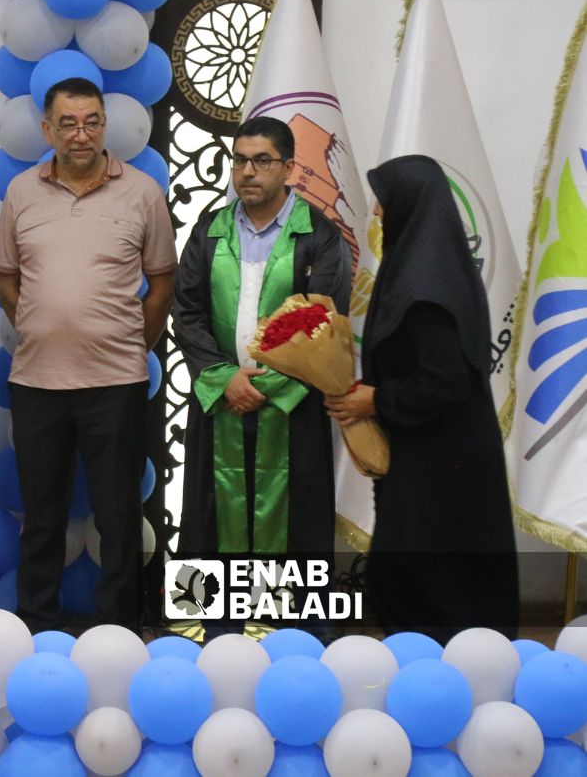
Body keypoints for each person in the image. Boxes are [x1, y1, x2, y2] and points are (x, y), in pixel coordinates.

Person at [0, 77, 178, 633]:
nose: (81, 133)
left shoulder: (143, 192)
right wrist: (36, 324)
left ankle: (119, 628)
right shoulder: (22, 192)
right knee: (42, 515)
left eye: (92, 121)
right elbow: (6, 277)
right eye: (68, 123)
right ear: (48, 129)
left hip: (116, 382)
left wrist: (130, 344)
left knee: (118, 515)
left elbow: (162, 283)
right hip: (36, 381)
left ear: (105, 125)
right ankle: (37, 627)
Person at [326, 154, 518, 641]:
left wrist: (376, 401)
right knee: (423, 579)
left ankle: (445, 690)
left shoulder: (426, 288)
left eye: (385, 203)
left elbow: (444, 380)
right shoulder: (429, 267)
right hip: (437, 456)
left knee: (421, 580)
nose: (375, 214)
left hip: (442, 464)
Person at [173, 117, 351, 634]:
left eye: (261, 161)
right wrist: (223, 377)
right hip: (221, 397)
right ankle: (206, 636)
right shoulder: (210, 230)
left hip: (291, 405)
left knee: (294, 513)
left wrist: (269, 385)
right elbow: (187, 312)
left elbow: (324, 319)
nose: (247, 172)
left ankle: (288, 639)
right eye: (240, 160)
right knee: (209, 510)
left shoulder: (319, 235)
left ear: (289, 168)